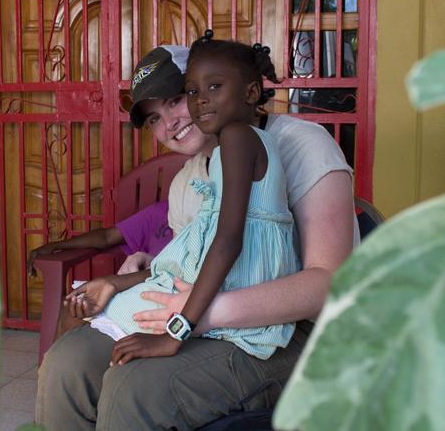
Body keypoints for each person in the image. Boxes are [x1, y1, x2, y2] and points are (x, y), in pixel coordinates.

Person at [36, 42, 355, 430]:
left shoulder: (302, 144)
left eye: (175, 99)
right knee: (67, 362)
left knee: (133, 388)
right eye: (153, 119)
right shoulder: (188, 181)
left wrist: (194, 318)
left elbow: (329, 284)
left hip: (296, 333)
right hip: (203, 316)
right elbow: (197, 264)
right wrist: (125, 280)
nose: (169, 123)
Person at [63, 32, 300, 367]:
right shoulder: (220, 157)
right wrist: (118, 281)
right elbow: (197, 254)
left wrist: (175, 333)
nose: (200, 101)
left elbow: (228, 241)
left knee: (91, 323)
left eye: (214, 87)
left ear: (250, 92)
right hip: (213, 286)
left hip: (234, 293)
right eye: (192, 92)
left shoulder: (236, 138)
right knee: (89, 314)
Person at [27, 200, 171, 277]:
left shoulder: (193, 224)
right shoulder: (161, 211)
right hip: (142, 287)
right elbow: (107, 236)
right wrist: (56, 245)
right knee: (73, 309)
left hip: (179, 293)